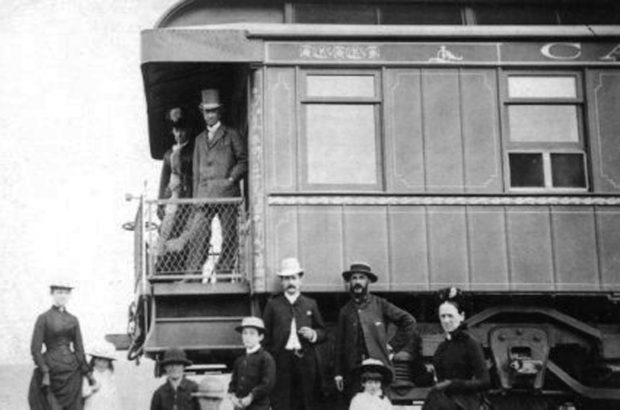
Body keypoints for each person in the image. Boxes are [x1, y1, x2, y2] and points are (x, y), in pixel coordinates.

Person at [167, 89, 247, 274]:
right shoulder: (199, 139)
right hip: (203, 195)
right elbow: (195, 171)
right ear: (202, 113)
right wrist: (196, 199)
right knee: (199, 234)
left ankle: (224, 272)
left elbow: (244, 160)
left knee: (229, 235)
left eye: (213, 111)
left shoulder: (231, 134)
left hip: (226, 193)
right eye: (206, 112)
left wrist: (231, 179)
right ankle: (192, 274)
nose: (209, 115)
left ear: (219, 112)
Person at [334, 262, 419, 404]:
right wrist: (338, 373)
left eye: (361, 278)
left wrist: (392, 346)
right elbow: (339, 345)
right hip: (354, 373)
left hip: (378, 371)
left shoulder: (380, 304)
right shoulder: (345, 311)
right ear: (350, 282)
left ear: (368, 281)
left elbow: (409, 321)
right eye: (354, 278)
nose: (357, 282)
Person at [262, 257, 327, 410]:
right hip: (281, 362)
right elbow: (265, 336)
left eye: (293, 278)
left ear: (300, 281)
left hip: (306, 362)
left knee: (306, 401)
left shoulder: (310, 303)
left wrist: (313, 334)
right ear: (281, 282)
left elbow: (323, 331)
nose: (290, 282)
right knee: (282, 401)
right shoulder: (273, 305)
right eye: (286, 279)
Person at [28, 278, 95, 410]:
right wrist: (45, 371)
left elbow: (79, 349)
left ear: (70, 295)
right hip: (51, 370)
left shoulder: (73, 319)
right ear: (52, 293)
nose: (63, 296)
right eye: (59, 292)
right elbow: (35, 349)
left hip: (72, 372)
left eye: (66, 293)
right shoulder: (43, 318)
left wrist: (88, 374)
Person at [422, 287, 490, 410]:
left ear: (461, 316)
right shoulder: (442, 346)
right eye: (442, 316)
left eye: (450, 316)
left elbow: (484, 382)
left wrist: (452, 384)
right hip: (441, 402)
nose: (446, 320)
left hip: (463, 403)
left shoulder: (470, 343)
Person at [153, 107, 195, 259]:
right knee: (167, 230)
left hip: (187, 198)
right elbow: (164, 179)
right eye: (176, 130)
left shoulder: (193, 151)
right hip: (171, 199)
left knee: (184, 232)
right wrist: (160, 202)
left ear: (188, 130)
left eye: (182, 130)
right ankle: (165, 263)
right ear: (172, 132)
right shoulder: (168, 154)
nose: (179, 134)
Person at [228, 317, 276, 410]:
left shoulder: (266, 358)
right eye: (245, 333)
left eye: (252, 333)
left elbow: (267, 384)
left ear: (260, 337)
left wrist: (251, 396)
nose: (247, 337)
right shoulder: (240, 360)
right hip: (240, 407)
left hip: (259, 407)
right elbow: (233, 383)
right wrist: (232, 396)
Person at [82, 341, 122, 410]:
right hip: (92, 406)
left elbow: (114, 396)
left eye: (105, 361)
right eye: (99, 360)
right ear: (94, 360)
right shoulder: (89, 375)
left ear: (109, 363)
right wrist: (93, 389)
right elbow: (83, 392)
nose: (102, 364)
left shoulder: (110, 375)